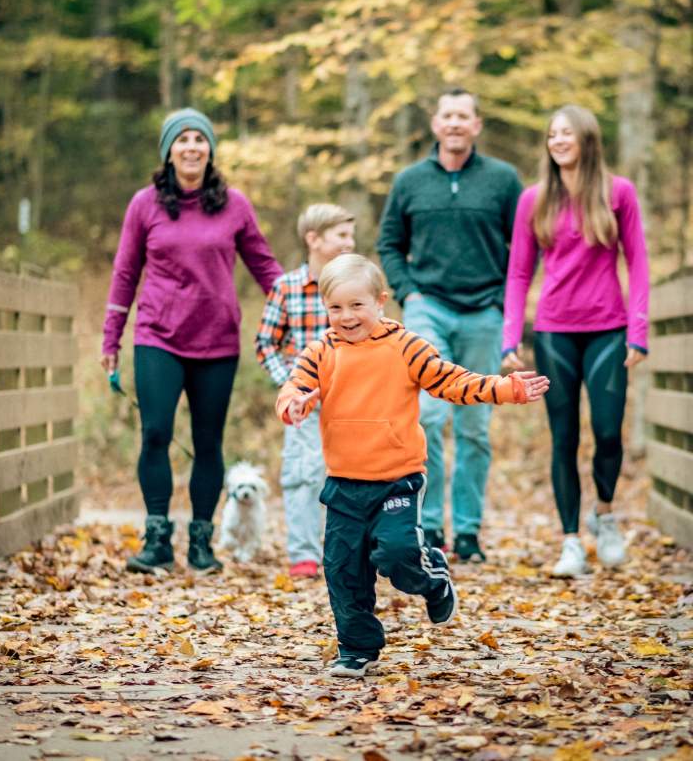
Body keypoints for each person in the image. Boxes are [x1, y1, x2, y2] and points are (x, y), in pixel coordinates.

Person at [276, 254, 549, 676]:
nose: (346, 317)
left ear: (381, 301)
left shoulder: (406, 347)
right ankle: (356, 647)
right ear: (325, 308)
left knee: (400, 556)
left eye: (357, 305)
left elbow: (450, 380)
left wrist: (505, 389)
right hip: (345, 482)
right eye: (336, 308)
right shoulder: (321, 351)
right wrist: (292, 403)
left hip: (397, 479)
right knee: (342, 568)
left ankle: (433, 578)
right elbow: (295, 385)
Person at [101, 107, 283, 574]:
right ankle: (157, 537)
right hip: (158, 335)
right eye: (181, 140)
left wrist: (297, 306)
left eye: (199, 140)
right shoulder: (145, 204)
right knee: (156, 432)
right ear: (168, 151)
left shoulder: (235, 205)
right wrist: (110, 339)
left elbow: (264, 265)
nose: (191, 147)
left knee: (209, 441)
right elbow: (125, 273)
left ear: (210, 149)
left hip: (217, 341)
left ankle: (201, 541)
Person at [501, 104, 649, 578]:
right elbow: (520, 271)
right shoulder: (534, 199)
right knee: (563, 438)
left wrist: (639, 331)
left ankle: (604, 515)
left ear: (586, 139)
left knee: (607, 433)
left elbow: (639, 262)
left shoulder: (618, 192)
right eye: (551, 134)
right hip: (553, 333)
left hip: (609, 329)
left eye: (566, 133)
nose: (558, 140)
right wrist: (511, 338)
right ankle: (570, 543)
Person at [377, 88, 523, 562]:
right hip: (429, 307)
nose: (456, 123)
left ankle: (468, 531)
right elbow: (389, 243)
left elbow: (521, 248)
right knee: (429, 416)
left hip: (484, 311)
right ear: (436, 124)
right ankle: (430, 525)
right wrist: (409, 293)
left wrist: (504, 302)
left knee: (475, 425)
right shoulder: (410, 181)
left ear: (476, 125)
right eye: (448, 116)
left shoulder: (503, 180)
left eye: (464, 116)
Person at [255, 203, 356, 578]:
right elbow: (266, 342)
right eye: (342, 235)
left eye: (351, 234)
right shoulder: (287, 288)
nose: (351, 242)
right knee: (302, 472)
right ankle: (304, 553)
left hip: (352, 400)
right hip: (305, 402)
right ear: (313, 239)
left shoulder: (357, 286)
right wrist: (290, 382)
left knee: (353, 475)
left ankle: (347, 550)